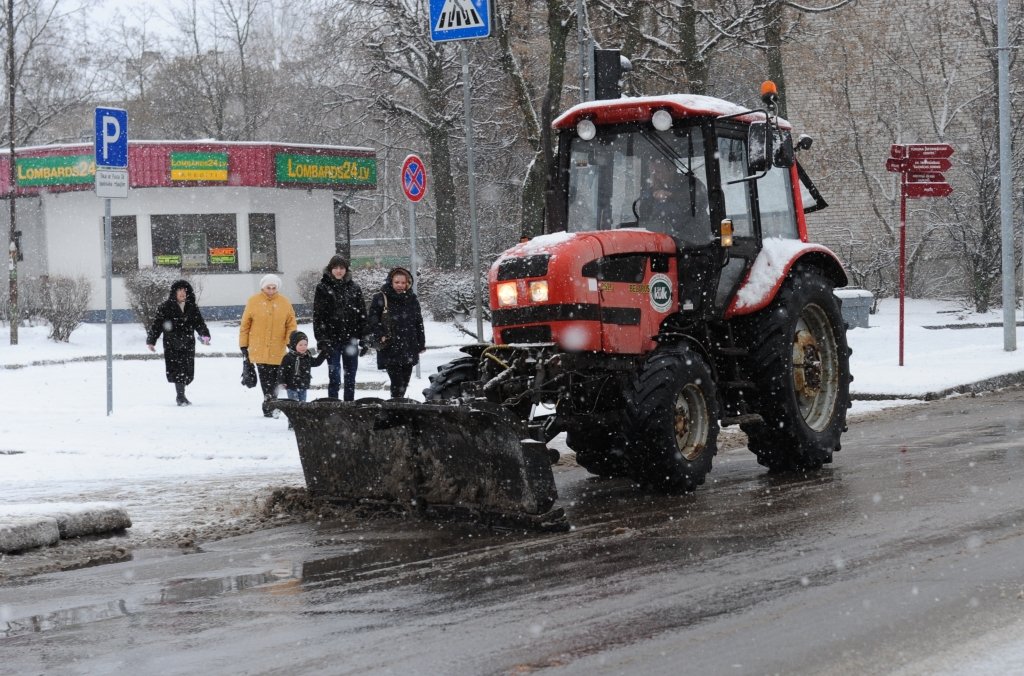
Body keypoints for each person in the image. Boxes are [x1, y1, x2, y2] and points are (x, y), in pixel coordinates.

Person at [239, 273, 297, 417]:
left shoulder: (285, 302)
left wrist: (291, 342)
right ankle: (268, 403)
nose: (271, 290)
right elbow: (245, 325)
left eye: (273, 288)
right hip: (259, 348)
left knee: (277, 379)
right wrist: (244, 345)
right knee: (265, 380)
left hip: (278, 349)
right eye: (268, 288)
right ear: (262, 288)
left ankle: (273, 402)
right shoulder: (253, 301)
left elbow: (291, 324)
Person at [146, 279, 211, 406]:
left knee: (187, 371)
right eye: (179, 290)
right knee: (177, 370)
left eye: (184, 291)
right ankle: (180, 396)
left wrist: (205, 335)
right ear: (174, 292)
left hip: (188, 343)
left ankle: (181, 393)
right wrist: (151, 340)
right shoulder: (165, 307)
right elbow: (157, 325)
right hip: (172, 344)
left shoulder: (192, 307)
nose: (182, 293)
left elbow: (199, 323)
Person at [365, 267, 426, 399]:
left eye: (403, 283)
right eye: (397, 282)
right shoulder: (381, 297)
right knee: (397, 382)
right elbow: (373, 319)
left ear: (408, 283)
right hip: (390, 346)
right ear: (391, 282)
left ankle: (397, 406)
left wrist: (421, 343)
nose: (400, 285)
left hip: (408, 346)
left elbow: (418, 322)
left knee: (405, 381)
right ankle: (395, 407)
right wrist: (380, 333)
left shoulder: (412, 298)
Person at [312, 255, 367, 401]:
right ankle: (333, 406)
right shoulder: (323, 287)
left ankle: (349, 406)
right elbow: (318, 316)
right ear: (330, 269)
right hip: (331, 339)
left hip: (351, 338)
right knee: (334, 376)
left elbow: (362, 314)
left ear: (346, 270)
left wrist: (365, 337)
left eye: (341, 268)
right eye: (335, 268)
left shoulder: (354, 287)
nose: (338, 271)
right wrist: (322, 339)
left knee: (350, 377)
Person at [634, 156, 710, 245]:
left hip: (693, 240)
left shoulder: (691, 184)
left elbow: (701, 201)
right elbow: (643, 213)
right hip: (661, 241)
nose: (658, 176)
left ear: (672, 169)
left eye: (660, 172)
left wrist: (671, 196)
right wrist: (651, 196)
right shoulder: (652, 190)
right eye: (654, 173)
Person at [277, 330, 327, 429]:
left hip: (303, 385)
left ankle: (300, 423)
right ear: (294, 345)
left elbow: (316, 362)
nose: (304, 347)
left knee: (302, 405)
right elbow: (281, 370)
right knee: (293, 405)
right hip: (291, 386)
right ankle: (292, 424)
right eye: (300, 345)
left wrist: (324, 353)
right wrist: (282, 381)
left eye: (305, 344)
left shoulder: (307, 357)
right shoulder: (288, 357)